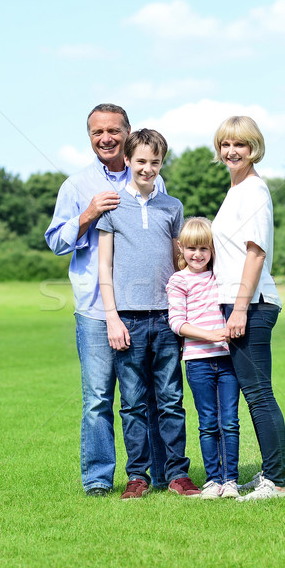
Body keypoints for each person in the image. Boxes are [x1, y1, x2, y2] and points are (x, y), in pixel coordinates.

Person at [44, 104, 167, 497]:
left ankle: (152, 475)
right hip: (96, 310)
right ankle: (98, 479)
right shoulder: (76, 185)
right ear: (90, 137)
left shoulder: (152, 178)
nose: (106, 138)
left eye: (113, 131)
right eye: (97, 133)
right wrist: (88, 213)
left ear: (128, 133)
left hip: (145, 309)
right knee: (98, 397)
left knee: (146, 396)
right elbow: (55, 241)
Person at [97, 128, 200, 500]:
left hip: (168, 318)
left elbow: (178, 260)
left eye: (155, 162)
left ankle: (176, 474)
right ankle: (137, 476)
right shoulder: (112, 207)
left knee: (171, 400)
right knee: (133, 403)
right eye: (140, 161)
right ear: (127, 161)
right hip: (128, 319)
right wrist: (112, 317)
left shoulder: (172, 207)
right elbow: (104, 266)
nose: (147, 168)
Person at [211, 115, 285, 501]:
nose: (231, 151)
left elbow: (255, 254)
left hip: (252, 304)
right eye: (225, 144)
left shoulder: (255, 191)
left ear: (253, 147)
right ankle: (269, 475)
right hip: (236, 301)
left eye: (239, 145)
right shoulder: (235, 191)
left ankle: (277, 482)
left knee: (259, 394)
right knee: (252, 391)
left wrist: (240, 309)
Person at [166, 217, 241, 500]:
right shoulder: (178, 281)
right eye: (191, 249)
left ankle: (230, 480)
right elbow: (177, 323)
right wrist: (211, 336)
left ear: (212, 251)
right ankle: (212, 480)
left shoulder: (219, 277)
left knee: (230, 421)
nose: (197, 255)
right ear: (181, 250)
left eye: (204, 249)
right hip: (198, 362)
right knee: (208, 422)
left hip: (227, 362)